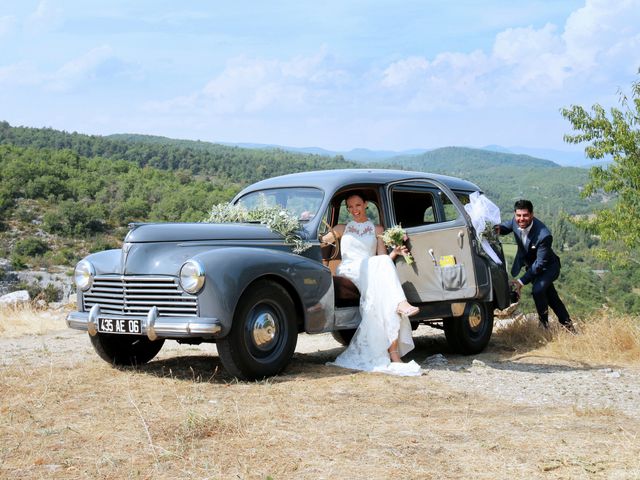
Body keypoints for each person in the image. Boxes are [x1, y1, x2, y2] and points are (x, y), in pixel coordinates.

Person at [323, 191, 422, 375]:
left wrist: (396, 253)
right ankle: (400, 305)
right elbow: (322, 242)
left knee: (381, 297)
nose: (354, 210)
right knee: (380, 281)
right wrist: (323, 238)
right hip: (350, 270)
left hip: (371, 268)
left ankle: (393, 352)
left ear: (365, 204)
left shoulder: (377, 229)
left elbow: (382, 257)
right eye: (350, 207)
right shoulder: (342, 228)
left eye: (358, 205)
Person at [496, 199, 574, 332]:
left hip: (548, 267)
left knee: (538, 290)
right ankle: (569, 327)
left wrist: (521, 281)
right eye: (518, 215)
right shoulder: (515, 221)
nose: (521, 219)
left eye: (525, 215)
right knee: (552, 298)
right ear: (515, 214)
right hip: (533, 267)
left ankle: (543, 326)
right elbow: (505, 227)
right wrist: (496, 229)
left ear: (532, 214)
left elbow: (539, 263)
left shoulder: (544, 235)